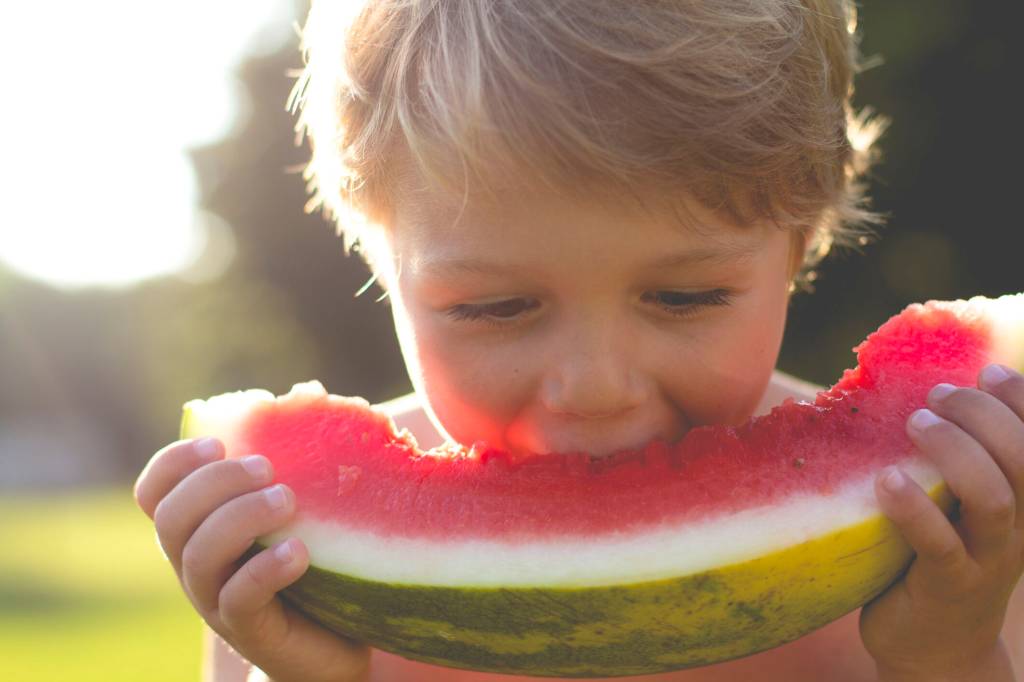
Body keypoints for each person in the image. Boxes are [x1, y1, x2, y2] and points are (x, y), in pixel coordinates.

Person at [133, 1, 1024, 680]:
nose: (596, 384)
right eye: (495, 308)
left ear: (798, 245)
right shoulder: (295, 558)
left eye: (684, 296)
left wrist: (950, 659)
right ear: (378, 260)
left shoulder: (949, 543)